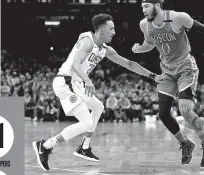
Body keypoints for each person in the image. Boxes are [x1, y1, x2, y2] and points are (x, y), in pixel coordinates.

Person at [32, 13, 164, 171]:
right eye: (111, 29)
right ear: (101, 30)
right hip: (65, 82)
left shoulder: (104, 49)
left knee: (98, 107)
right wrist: (87, 80)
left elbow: (129, 64)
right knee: (87, 123)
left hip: (77, 84)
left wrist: (152, 75)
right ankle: (45, 146)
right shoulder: (87, 42)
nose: (114, 32)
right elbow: (75, 64)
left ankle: (84, 147)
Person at [132, 0, 204, 167]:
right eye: (142, 7)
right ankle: (185, 143)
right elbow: (149, 43)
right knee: (163, 114)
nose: (143, 10)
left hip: (186, 68)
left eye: (146, 6)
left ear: (157, 5)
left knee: (184, 109)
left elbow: (201, 28)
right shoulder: (144, 25)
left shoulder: (178, 18)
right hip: (167, 71)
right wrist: (140, 48)